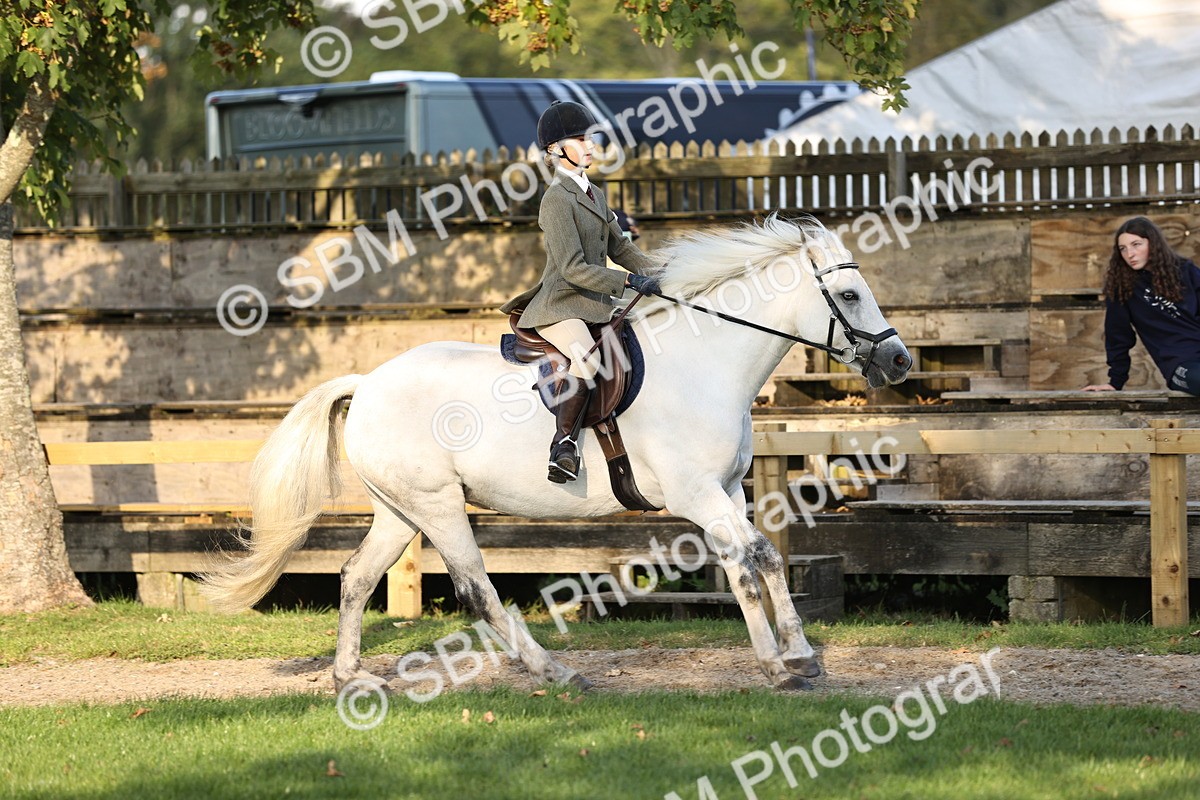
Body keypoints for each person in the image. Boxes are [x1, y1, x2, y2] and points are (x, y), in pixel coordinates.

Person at [500, 100, 661, 483]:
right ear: (556, 150)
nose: (590, 145)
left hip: (594, 303)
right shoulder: (555, 200)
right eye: (580, 139)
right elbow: (572, 268)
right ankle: (563, 446)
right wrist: (626, 281)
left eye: (591, 138)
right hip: (560, 305)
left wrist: (658, 273)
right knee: (587, 359)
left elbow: (619, 247)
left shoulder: (595, 194)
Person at [1081, 216, 1200, 395]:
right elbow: (1117, 336)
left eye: (1136, 244)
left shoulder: (1186, 271)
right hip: (1181, 365)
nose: (1130, 254)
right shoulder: (1122, 289)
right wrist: (1115, 382)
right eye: (1123, 248)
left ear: (1153, 243)